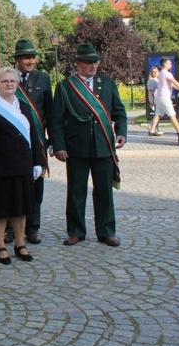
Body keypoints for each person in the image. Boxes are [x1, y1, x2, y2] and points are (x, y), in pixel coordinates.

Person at [50, 43, 127, 247]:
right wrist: (59, 145)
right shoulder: (66, 86)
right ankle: (75, 231)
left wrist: (121, 132)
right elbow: (56, 119)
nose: (93, 66)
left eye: (95, 62)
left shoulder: (107, 82)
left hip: (103, 146)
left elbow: (119, 111)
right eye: (88, 63)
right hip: (76, 148)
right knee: (76, 192)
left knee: (104, 192)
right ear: (78, 64)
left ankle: (106, 231)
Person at [0, 67, 45, 265]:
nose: (9, 84)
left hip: (23, 165)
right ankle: (0, 246)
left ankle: (20, 244)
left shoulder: (23, 107)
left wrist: (37, 162)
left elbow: (34, 136)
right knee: (0, 209)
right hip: (0, 167)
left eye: (12, 81)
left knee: (20, 208)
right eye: (4, 81)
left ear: (17, 84)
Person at [10, 39, 52, 245]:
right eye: (26, 57)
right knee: (12, 184)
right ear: (16, 59)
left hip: (36, 141)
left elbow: (50, 112)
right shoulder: (6, 77)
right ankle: (11, 228)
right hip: (12, 142)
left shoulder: (43, 78)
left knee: (36, 185)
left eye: (33, 57)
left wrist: (53, 141)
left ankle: (32, 228)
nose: (30, 61)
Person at [148, 58, 179, 143]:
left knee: (158, 114)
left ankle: (152, 130)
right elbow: (175, 83)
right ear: (165, 64)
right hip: (164, 98)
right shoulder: (167, 74)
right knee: (172, 114)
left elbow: (173, 85)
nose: (171, 65)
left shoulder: (161, 74)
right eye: (169, 64)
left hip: (159, 98)